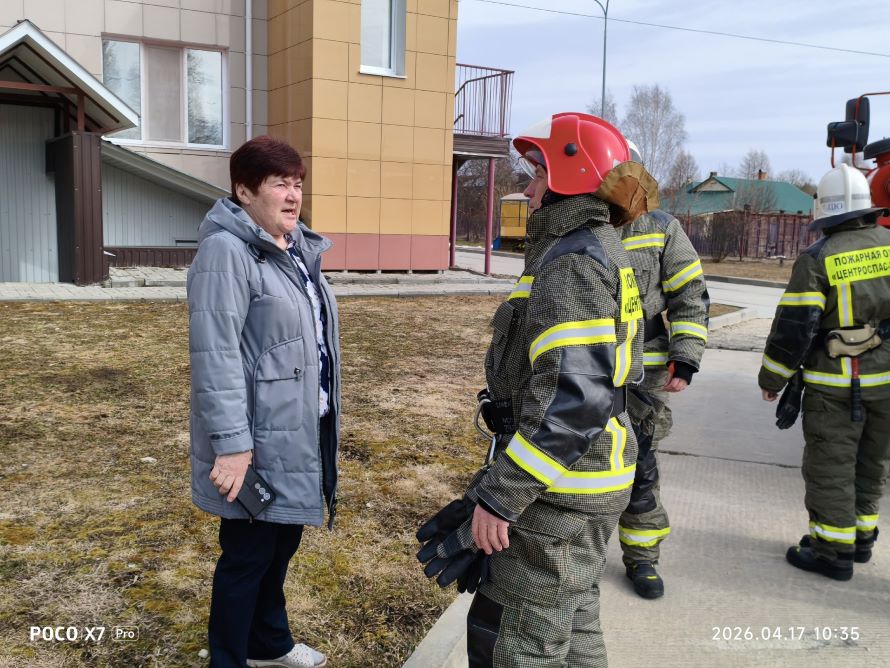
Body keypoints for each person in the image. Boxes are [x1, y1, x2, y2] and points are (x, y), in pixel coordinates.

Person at [417, 112, 659, 666]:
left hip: (559, 495)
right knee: (573, 625)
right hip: (587, 481)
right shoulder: (597, 249)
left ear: (573, 178)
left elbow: (573, 403)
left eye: (539, 175)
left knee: (520, 641)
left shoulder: (572, 263)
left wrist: (501, 497)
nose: (527, 190)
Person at [187, 135, 340, 667]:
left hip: (296, 428)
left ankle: (267, 644)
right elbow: (215, 354)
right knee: (248, 555)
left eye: (297, 184)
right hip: (255, 437)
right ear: (245, 191)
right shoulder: (226, 251)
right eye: (280, 184)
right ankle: (228, 658)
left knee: (280, 545)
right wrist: (232, 445)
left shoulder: (294, 249)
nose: (293, 196)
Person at [759, 163, 890, 581]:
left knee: (831, 468)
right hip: (886, 384)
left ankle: (832, 552)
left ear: (826, 211)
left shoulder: (818, 258)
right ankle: (861, 540)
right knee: (872, 463)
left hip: (835, 388)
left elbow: (794, 328)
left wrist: (772, 379)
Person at [616, 143, 709, 599]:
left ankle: (642, 557)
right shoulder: (577, 225)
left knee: (641, 469)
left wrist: (685, 356)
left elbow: (690, 294)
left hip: (644, 376)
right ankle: (576, 556)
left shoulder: (661, 228)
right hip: (587, 371)